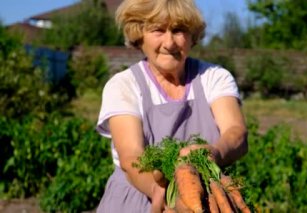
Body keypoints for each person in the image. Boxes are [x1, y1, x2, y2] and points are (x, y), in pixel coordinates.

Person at [95, 0, 248, 212]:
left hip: (207, 198)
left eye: (178, 30)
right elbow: (131, 156)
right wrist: (164, 194)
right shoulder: (123, 85)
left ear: (192, 37)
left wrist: (215, 153)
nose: (170, 43)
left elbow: (236, 132)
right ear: (139, 35)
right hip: (138, 198)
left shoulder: (214, 77)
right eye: (158, 30)